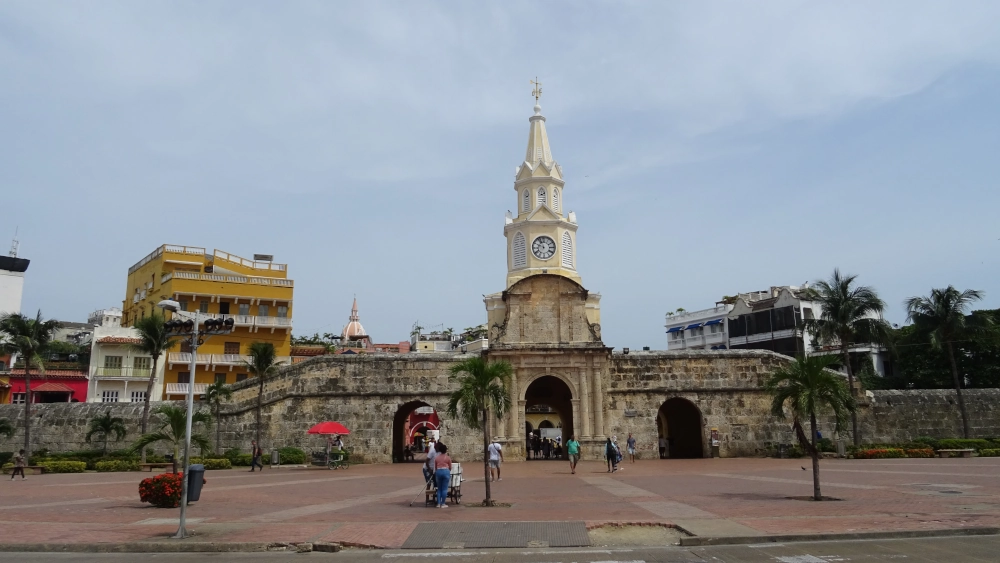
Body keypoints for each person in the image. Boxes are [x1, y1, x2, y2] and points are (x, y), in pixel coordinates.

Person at [433, 442, 453, 508]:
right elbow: (450, 467)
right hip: (446, 471)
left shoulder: (437, 458)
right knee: (444, 489)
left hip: (438, 471)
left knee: (439, 488)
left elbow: (435, 467)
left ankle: (438, 503)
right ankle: (443, 503)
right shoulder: (448, 458)